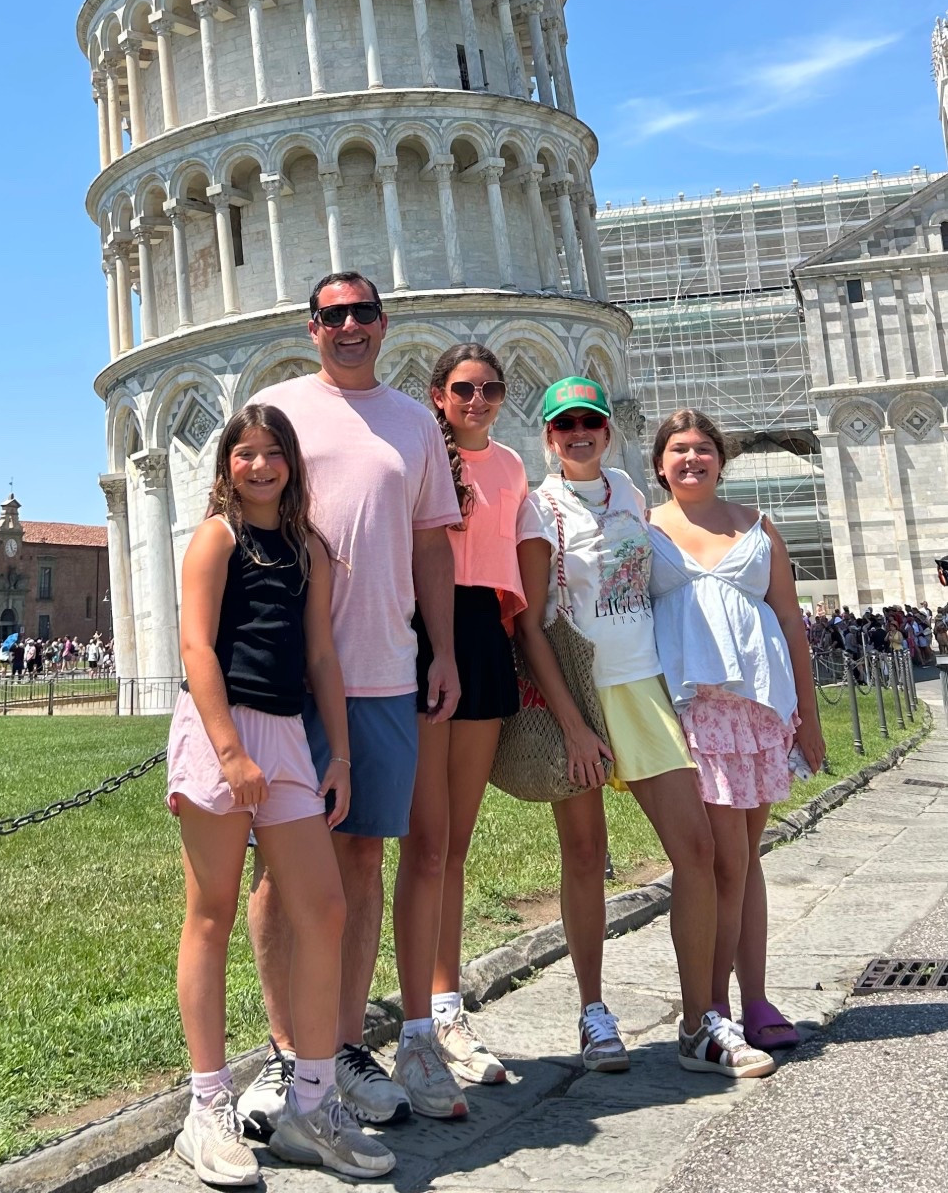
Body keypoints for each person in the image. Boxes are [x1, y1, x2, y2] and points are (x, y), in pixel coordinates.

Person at [240, 272, 462, 1135]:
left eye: (361, 313)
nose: (347, 327)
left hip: (381, 667)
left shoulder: (412, 421)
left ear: (382, 322)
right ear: (311, 327)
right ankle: (284, 1052)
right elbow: (237, 520)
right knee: (280, 866)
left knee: (363, 856)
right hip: (282, 675)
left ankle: (338, 1051)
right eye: (332, 316)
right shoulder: (279, 407)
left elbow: (430, 546)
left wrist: (439, 648)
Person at [523, 376, 776, 1079]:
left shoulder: (633, 497)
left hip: (644, 689)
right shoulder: (536, 508)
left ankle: (699, 1021)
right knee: (583, 854)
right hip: (577, 692)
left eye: (590, 423)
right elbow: (531, 626)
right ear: (548, 435)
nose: (579, 433)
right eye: (565, 424)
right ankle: (593, 1011)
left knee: (694, 853)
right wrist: (571, 725)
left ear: (606, 431)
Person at [168, 402, 394, 1186]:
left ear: (291, 465)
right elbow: (195, 643)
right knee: (212, 911)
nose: (259, 467)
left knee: (323, 909)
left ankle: (310, 1101)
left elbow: (323, 656)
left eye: (273, 454)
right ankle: (205, 1110)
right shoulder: (216, 538)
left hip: (289, 738)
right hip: (219, 730)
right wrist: (227, 751)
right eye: (245, 454)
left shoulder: (307, 549)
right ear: (225, 464)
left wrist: (338, 758)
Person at [648, 408, 827, 1053]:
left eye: (701, 449)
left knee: (747, 861)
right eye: (677, 451)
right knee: (722, 862)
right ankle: (714, 1002)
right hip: (693, 709)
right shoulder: (643, 527)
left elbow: (790, 621)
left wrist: (804, 713)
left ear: (721, 459)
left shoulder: (758, 525)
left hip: (758, 711)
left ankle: (752, 996)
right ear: (660, 464)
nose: (690, 460)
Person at [392, 343, 543, 1106]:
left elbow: (518, 570)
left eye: (488, 390)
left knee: (455, 843)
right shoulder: (421, 457)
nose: (476, 401)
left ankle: (447, 1009)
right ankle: (416, 1021)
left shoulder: (513, 468)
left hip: (485, 629)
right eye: (462, 389)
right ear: (437, 395)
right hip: (428, 629)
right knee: (424, 842)